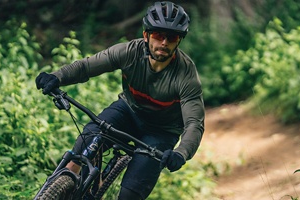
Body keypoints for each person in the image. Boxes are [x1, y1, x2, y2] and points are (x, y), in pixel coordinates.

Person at [35, 1, 205, 199]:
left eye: (172, 37)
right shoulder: (129, 52)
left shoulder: (186, 75)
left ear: (179, 40)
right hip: (128, 111)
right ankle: (63, 184)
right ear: (146, 35)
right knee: (87, 141)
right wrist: (57, 77)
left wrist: (181, 153)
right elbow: (87, 67)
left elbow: (194, 123)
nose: (164, 42)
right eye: (158, 35)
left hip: (161, 131)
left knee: (130, 193)